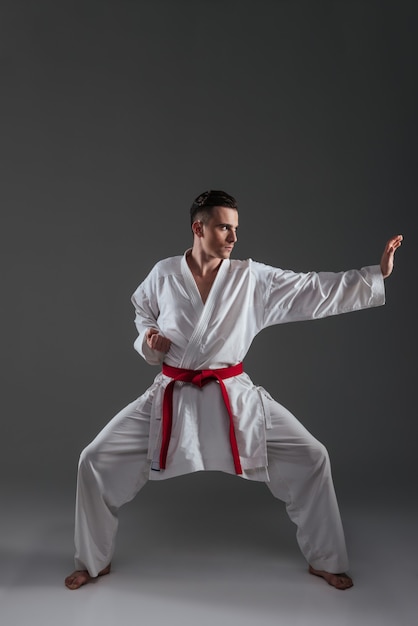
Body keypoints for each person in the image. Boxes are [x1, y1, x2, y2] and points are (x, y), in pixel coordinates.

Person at [65, 190, 402, 591]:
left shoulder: (249, 277)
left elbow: (310, 289)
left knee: (312, 458)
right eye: (225, 227)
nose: (233, 237)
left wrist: (373, 276)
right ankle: (92, 561)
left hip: (233, 395)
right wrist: (148, 342)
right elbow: (142, 314)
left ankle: (325, 559)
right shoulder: (164, 273)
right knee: (95, 459)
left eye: (236, 229)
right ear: (198, 227)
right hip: (173, 393)